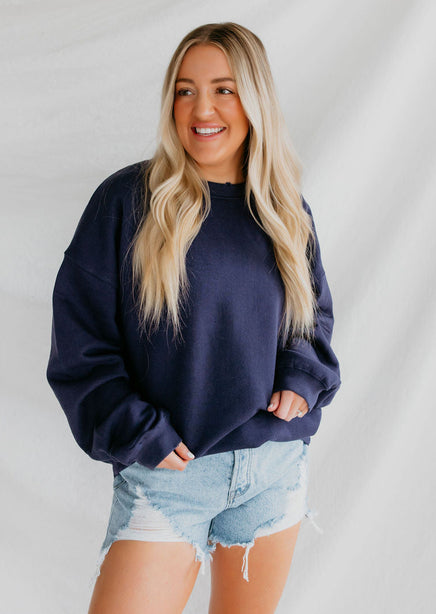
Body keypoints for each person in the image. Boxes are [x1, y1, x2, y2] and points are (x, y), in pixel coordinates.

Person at [46, 21, 341, 614]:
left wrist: (302, 378)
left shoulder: (285, 209)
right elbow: (81, 343)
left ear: (254, 99)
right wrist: (138, 432)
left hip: (272, 466)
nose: (201, 109)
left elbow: (309, 321)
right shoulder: (128, 203)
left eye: (223, 89)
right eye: (185, 91)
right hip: (169, 478)